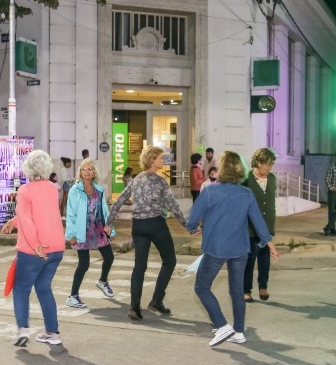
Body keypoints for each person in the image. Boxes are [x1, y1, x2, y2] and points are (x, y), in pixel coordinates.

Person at [187, 151, 275, 346]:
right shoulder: (247, 193)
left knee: (202, 287)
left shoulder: (209, 192)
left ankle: (222, 325)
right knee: (237, 291)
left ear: (222, 169)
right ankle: (239, 332)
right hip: (240, 249)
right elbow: (259, 222)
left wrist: (193, 229)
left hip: (216, 248)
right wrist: (268, 243)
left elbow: (192, 220)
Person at [107, 145, 189, 321]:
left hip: (138, 226)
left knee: (139, 266)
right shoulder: (160, 182)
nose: (162, 160)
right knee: (169, 261)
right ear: (152, 160)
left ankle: (134, 307)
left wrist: (109, 222)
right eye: (160, 157)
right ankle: (156, 300)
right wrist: (187, 226)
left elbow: (118, 201)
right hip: (156, 224)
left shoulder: (135, 180)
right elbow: (173, 206)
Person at [0, 150, 65, 347]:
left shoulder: (25, 190)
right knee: (44, 288)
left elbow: (28, 221)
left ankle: (23, 330)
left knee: (21, 288)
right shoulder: (53, 188)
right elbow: (41, 213)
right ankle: (53, 333)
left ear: (27, 168)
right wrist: (14, 221)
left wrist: (36, 246)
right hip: (56, 248)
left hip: (34, 249)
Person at [65, 158, 115, 308]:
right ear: (80, 173)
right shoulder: (75, 190)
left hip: (99, 229)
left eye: (90, 169)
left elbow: (104, 210)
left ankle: (103, 281)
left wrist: (109, 226)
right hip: (82, 231)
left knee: (109, 257)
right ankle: (73, 296)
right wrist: (71, 234)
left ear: (94, 172)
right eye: (84, 169)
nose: (87, 172)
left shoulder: (99, 189)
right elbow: (70, 214)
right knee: (84, 264)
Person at [242, 148, 278, 302]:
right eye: (266, 164)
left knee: (264, 259)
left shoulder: (272, 178)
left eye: (271, 164)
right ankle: (246, 290)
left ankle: (263, 286)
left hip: (266, 225)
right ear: (258, 162)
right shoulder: (246, 179)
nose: (269, 168)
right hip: (249, 227)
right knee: (249, 260)